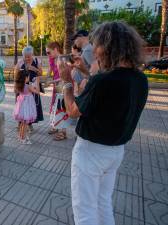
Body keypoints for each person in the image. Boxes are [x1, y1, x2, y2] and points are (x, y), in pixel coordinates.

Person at [59, 21, 148, 225]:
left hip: (91, 152)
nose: (95, 51)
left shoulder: (103, 81)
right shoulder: (140, 79)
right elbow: (108, 93)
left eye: (96, 45)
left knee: (85, 211)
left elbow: (73, 112)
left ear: (108, 46)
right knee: (103, 202)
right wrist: (89, 73)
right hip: (115, 151)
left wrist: (66, 83)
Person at [15, 46, 44, 132]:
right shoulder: (20, 62)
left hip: (33, 87)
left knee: (32, 106)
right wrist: (15, 87)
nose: (27, 58)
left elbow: (41, 73)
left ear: (32, 55)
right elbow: (16, 74)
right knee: (21, 107)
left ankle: (30, 124)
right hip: (22, 88)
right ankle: (20, 124)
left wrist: (34, 69)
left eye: (29, 56)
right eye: (25, 56)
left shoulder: (36, 61)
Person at [45, 42, 69, 140]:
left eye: (48, 52)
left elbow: (66, 77)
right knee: (55, 107)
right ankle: (56, 126)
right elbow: (50, 71)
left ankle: (63, 132)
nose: (48, 54)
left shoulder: (63, 59)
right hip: (56, 86)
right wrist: (46, 79)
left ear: (55, 49)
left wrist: (51, 81)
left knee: (62, 108)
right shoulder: (52, 59)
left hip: (63, 86)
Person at [13, 69, 40, 144]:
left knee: (22, 122)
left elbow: (16, 91)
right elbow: (37, 92)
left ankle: (21, 136)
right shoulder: (28, 86)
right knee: (25, 123)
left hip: (22, 106)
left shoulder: (19, 86)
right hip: (27, 106)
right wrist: (37, 82)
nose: (28, 78)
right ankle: (23, 138)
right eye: (28, 77)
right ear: (25, 78)